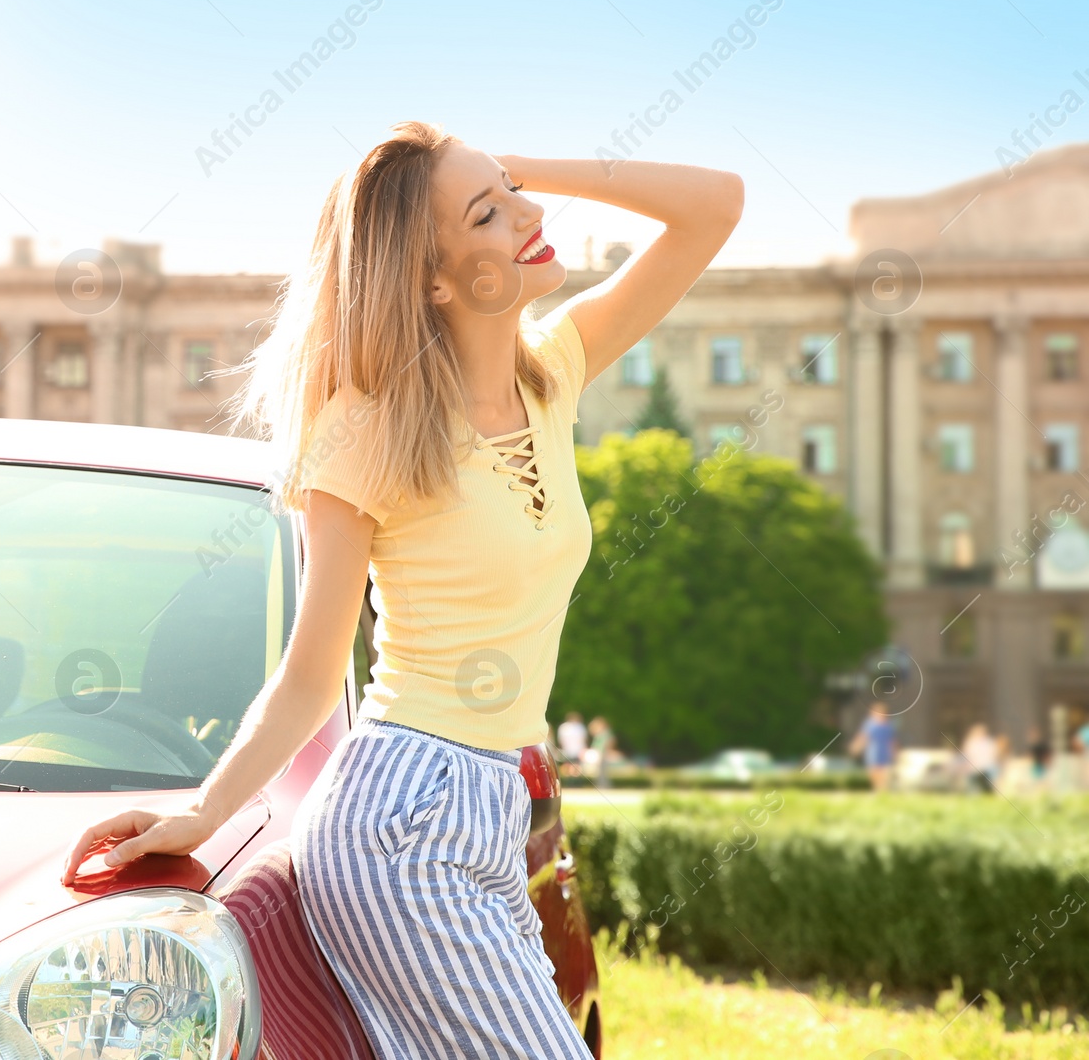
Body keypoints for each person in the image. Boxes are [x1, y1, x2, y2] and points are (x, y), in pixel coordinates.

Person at [61, 122, 743, 1059]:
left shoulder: (554, 372)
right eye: (490, 215)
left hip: (497, 804)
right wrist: (202, 812)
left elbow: (716, 205)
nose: (531, 218)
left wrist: (518, 170)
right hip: (401, 818)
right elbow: (311, 673)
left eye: (515, 198)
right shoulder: (365, 430)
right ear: (432, 277)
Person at [849, 701, 898, 791]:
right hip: (873, 752)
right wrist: (856, 747)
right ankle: (878, 791)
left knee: (884, 775)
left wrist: (894, 752)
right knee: (874, 773)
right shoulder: (870, 724)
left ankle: (882, 791)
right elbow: (864, 737)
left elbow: (891, 741)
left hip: (884, 753)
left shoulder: (888, 726)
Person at [961, 722, 999, 793]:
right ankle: (972, 792)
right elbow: (968, 756)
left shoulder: (989, 743)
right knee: (971, 772)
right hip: (974, 767)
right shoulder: (971, 743)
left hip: (988, 766)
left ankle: (989, 790)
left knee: (992, 771)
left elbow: (993, 757)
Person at [556, 710, 589, 778]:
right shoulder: (566, 727)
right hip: (569, 749)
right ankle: (570, 778)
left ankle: (574, 779)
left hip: (577, 750)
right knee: (569, 765)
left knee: (575, 765)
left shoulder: (579, 727)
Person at [587, 715, 616, 789]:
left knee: (602, 772)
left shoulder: (605, 734)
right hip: (599, 755)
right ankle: (601, 786)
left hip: (603, 755)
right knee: (600, 772)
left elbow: (608, 744)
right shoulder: (600, 735)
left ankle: (604, 786)